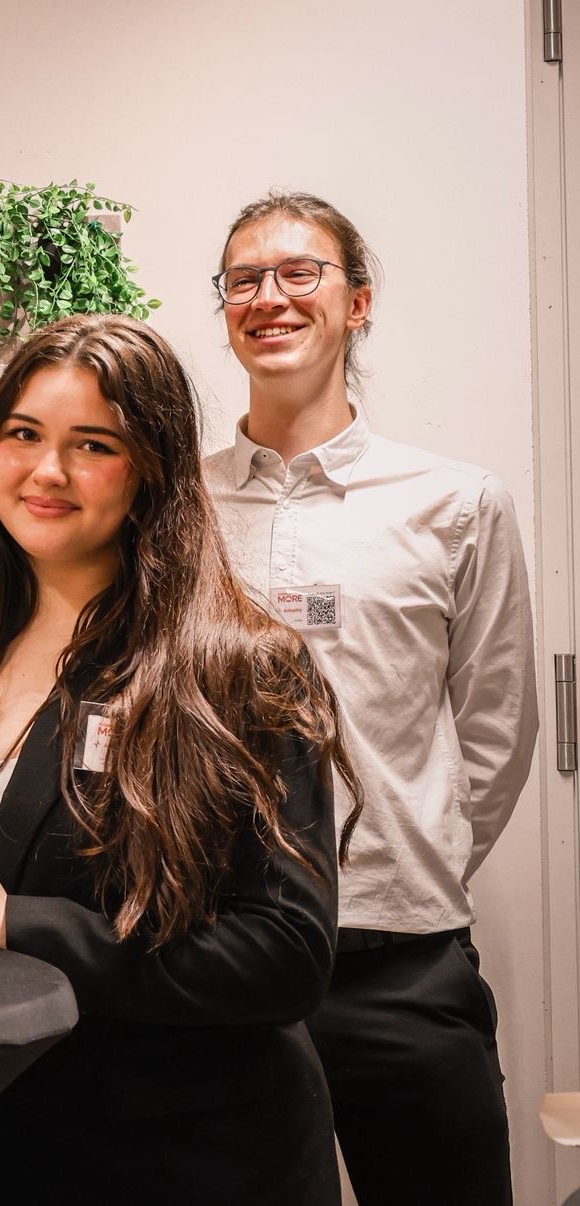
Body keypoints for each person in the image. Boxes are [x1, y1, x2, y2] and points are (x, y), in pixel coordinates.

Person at [0, 315, 357, 1205]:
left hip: (180, 1156)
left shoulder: (235, 670)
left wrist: (19, 922)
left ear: (151, 471)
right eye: (22, 434)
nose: (46, 471)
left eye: (91, 444)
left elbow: (285, 953)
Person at [204, 191, 536, 1205]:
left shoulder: (453, 502)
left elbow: (494, 725)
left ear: (356, 301)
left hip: (399, 960)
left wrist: (407, 850)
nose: (268, 297)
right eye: (242, 279)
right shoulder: (175, 502)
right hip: (214, 957)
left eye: (298, 272)